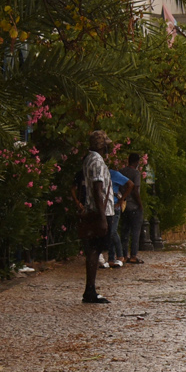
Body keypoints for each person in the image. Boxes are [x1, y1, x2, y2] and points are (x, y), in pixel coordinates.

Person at [75, 130, 114, 304]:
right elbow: (98, 190)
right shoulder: (97, 162)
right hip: (100, 212)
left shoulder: (88, 159)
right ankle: (90, 290)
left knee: (93, 249)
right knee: (94, 250)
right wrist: (103, 217)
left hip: (94, 210)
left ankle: (90, 289)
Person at [120, 153, 146, 264]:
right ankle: (133, 255)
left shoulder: (121, 172)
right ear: (136, 162)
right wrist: (140, 204)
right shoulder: (136, 173)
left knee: (125, 231)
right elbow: (135, 190)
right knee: (135, 231)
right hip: (134, 206)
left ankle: (124, 255)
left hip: (124, 205)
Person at [105, 163, 130, 268]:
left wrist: (121, 200)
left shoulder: (113, 174)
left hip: (115, 206)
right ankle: (111, 257)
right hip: (106, 207)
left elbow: (130, 184)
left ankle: (120, 255)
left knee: (113, 231)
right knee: (109, 232)